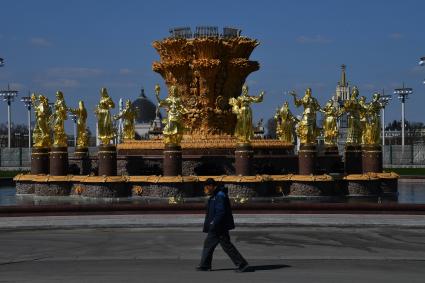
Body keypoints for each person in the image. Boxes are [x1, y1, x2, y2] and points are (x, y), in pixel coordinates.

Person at [196, 178, 249, 272]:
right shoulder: (215, 195)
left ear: (212, 186)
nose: (206, 189)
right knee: (209, 244)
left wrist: (214, 222)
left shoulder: (220, 195)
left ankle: (242, 264)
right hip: (217, 226)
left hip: (219, 226)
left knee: (226, 246)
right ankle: (205, 265)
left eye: (207, 187)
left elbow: (221, 211)